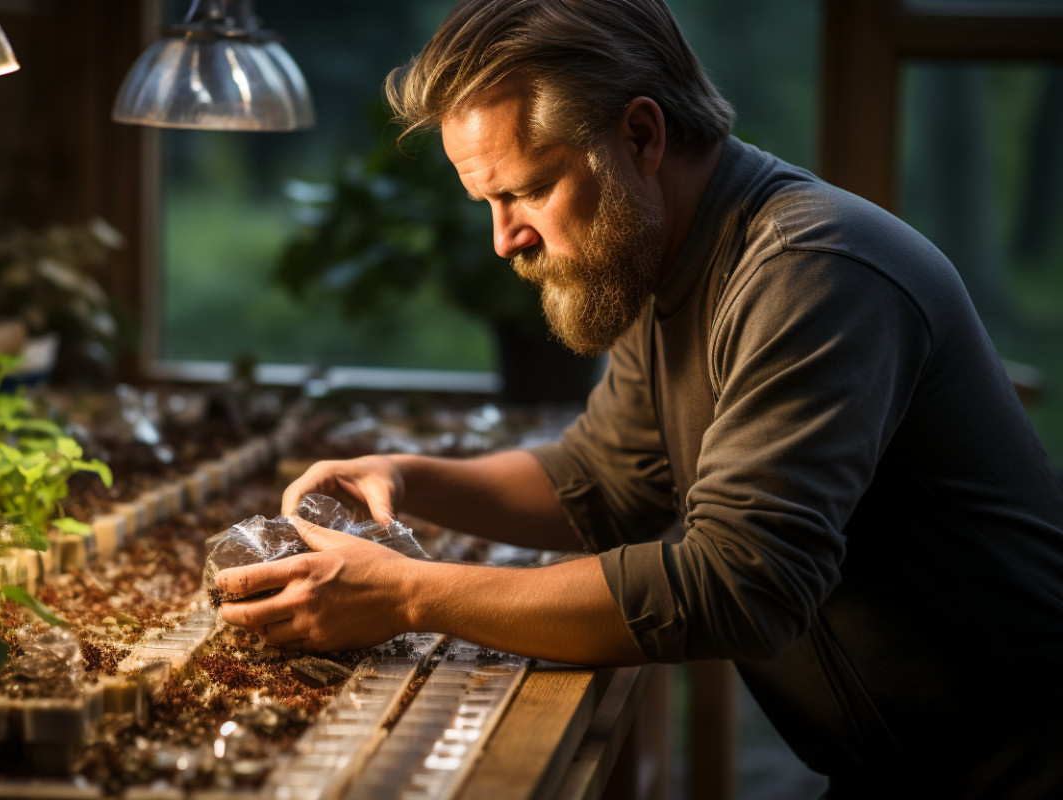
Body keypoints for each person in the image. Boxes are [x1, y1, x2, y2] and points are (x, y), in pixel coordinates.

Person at [213, 0, 1063, 794]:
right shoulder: (664, 261)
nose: (505, 239)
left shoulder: (813, 272)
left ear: (643, 135)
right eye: (490, 201)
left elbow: (741, 583)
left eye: (528, 191)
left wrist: (408, 592)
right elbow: (602, 483)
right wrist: (407, 475)